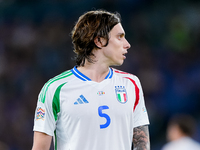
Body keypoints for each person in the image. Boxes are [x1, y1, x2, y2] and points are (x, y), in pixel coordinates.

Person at [32, 10, 150, 150]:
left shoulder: (131, 84)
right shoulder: (55, 88)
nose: (127, 44)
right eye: (120, 37)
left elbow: (142, 144)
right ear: (99, 41)